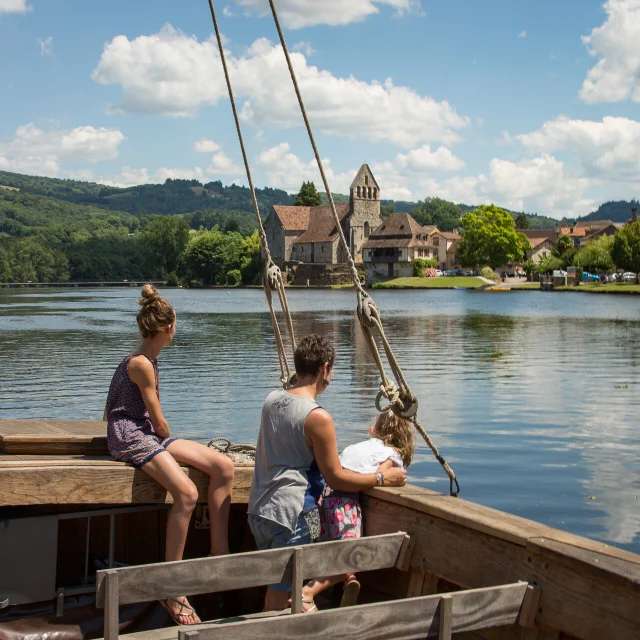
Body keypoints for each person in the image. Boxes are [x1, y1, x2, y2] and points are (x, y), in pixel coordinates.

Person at [104, 284, 235, 626]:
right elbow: (155, 420)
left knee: (222, 465)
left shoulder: (149, 359)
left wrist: (175, 444)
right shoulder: (141, 364)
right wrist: (172, 444)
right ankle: (171, 587)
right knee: (188, 493)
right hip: (131, 434)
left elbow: (152, 422)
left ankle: (218, 558)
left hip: (145, 430)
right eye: (175, 324)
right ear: (167, 327)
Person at [247, 334, 408, 613]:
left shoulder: (271, 399)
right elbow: (335, 477)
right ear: (325, 369)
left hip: (259, 511)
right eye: (331, 370)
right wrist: (382, 478)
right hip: (292, 516)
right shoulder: (317, 417)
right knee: (281, 599)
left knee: (283, 589)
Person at [300, 410, 415, 612]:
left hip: (324, 499)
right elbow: (382, 476)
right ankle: (307, 594)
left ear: (374, 430)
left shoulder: (356, 446)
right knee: (352, 557)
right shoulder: (391, 453)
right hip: (344, 504)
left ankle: (346, 581)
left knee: (333, 551)